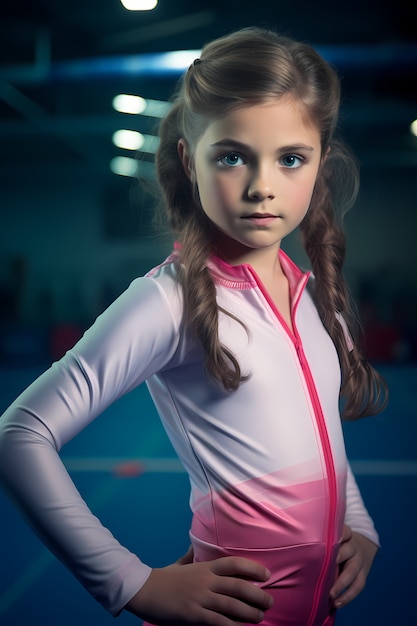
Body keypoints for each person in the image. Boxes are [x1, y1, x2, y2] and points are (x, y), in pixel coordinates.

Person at [0, 27, 388, 626]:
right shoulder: (168, 300)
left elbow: (319, 431)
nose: (262, 186)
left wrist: (356, 522)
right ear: (189, 160)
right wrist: (132, 582)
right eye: (232, 156)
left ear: (320, 165)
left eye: (290, 159)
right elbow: (19, 434)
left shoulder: (315, 298)